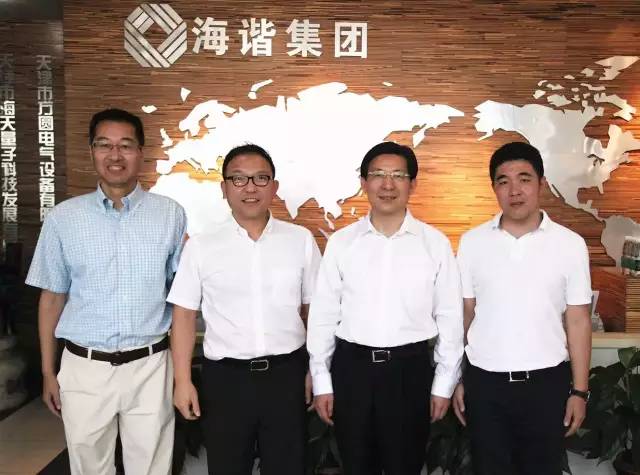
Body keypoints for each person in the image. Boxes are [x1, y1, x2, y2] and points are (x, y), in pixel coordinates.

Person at [26, 108, 187, 474]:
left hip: (150, 365)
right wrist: (48, 372)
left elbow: (181, 299)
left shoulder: (171, 215)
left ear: (141, 152)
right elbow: (51, 299)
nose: (115, 155)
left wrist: (181, 376)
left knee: (152, 468)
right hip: (84, 367)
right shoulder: (64, 218)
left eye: (125, 145)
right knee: (89, 467)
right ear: (92, 151)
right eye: (104, 145)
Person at [307, 141, 464, 475]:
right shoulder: (342, 243)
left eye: (398, 176)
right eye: (378, 174)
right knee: (356, 466)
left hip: (409, 372)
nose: (387, 184)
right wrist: (322, 380)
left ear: (412, 184)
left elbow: (450, 318)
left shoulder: (434, 244)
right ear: (364, 183)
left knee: (404, 466)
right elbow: (323, 317)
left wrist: (443, 385)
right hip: (352, 371)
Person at [168, 144, 321, 475]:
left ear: (274, 187)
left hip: (287, 376)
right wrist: (182, 380)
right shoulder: (202, 246)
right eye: (239, 179)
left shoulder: (300, 240)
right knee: (227, 467)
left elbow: (316, 313)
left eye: (260, 178)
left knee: (288, 467)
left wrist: (315, 370)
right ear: (224, 188)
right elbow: (183, 315)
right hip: (226, 381)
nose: (250, 187)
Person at [453, 141, 592, 475]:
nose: (514, 190)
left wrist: (579, 391)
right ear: (494, 188)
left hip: (546, 384)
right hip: (485, 384)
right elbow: (466, 315)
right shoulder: (472, 243)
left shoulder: (571, 245)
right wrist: (458, 377)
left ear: (541, 183)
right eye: (504, 181)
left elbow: (578, 321)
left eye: (524, 179)